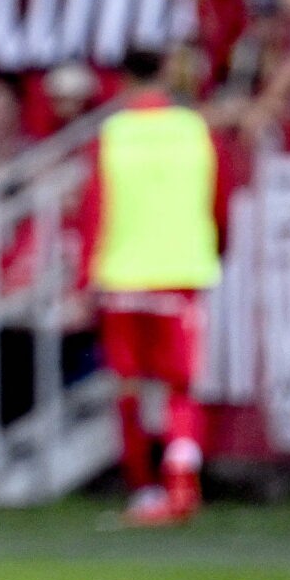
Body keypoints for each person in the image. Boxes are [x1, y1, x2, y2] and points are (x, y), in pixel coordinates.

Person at [80, 51, 221, 526]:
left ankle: (142, 488)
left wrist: (86, 277)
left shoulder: (114, 133)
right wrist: (216, 246)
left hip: (122, 276)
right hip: (180, 274)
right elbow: (219, 199)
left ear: (123, 82)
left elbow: (93, 210)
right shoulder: (195, 129)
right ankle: (181, 485)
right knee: (181, 387)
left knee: (130, 388)